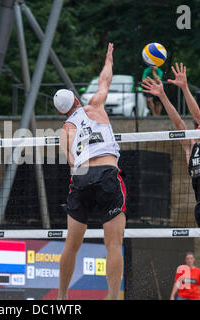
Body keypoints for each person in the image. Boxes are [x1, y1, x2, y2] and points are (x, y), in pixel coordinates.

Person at [141, 62, 200, 300]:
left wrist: (183, 87)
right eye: (195, 126)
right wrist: (162, 95)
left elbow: (195, 115)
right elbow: (179, 124)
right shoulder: (190, 148)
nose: (197, 126)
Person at [54, 42, 126, 300]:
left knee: (71, 246)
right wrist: (109, 60)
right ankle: (112, 296)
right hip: (107, 172)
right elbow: (104, 81)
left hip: (82, 178)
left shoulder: (65, 130)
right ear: (76, 99)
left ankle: (62, 298)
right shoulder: (94, 105)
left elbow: (72, 163)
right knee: (114, 244)